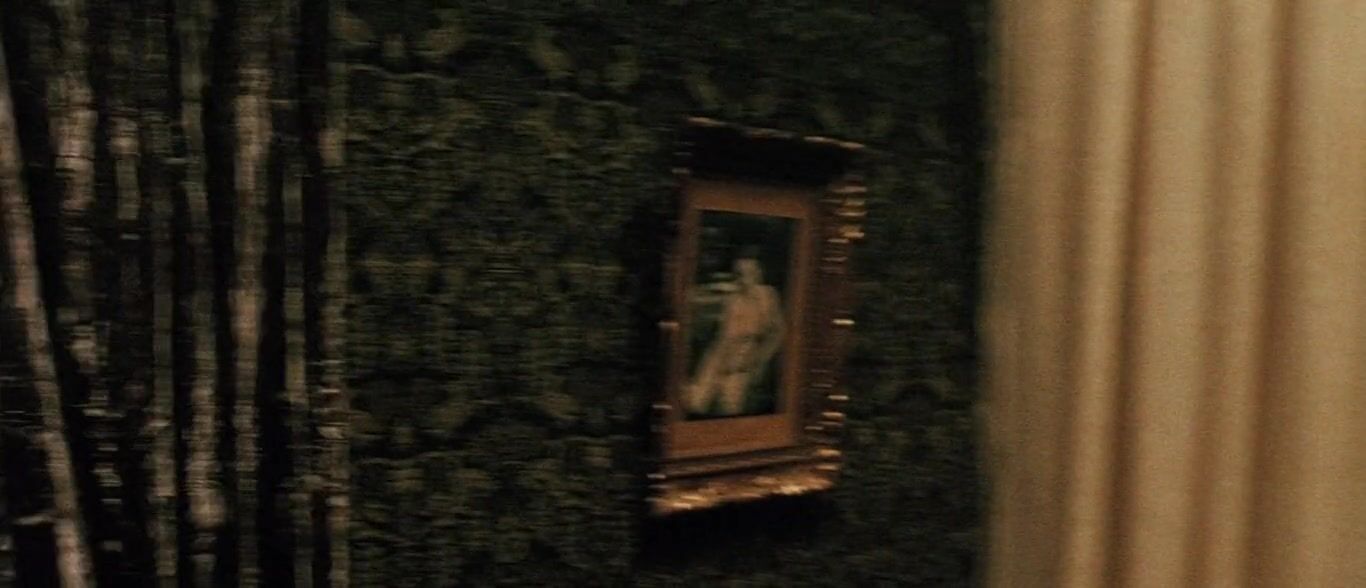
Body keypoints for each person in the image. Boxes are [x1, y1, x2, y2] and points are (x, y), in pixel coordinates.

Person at [687, 246, 786, 417]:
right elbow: (721, 336)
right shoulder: (732, 299)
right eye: (739, 274)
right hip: (719, 357)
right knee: (695, 402)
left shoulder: (768, 296)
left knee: (729, 409)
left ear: (758, 273)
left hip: (744, 364)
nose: (743, 279)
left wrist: (761, 362)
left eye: (748, 273)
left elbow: (778, 333)